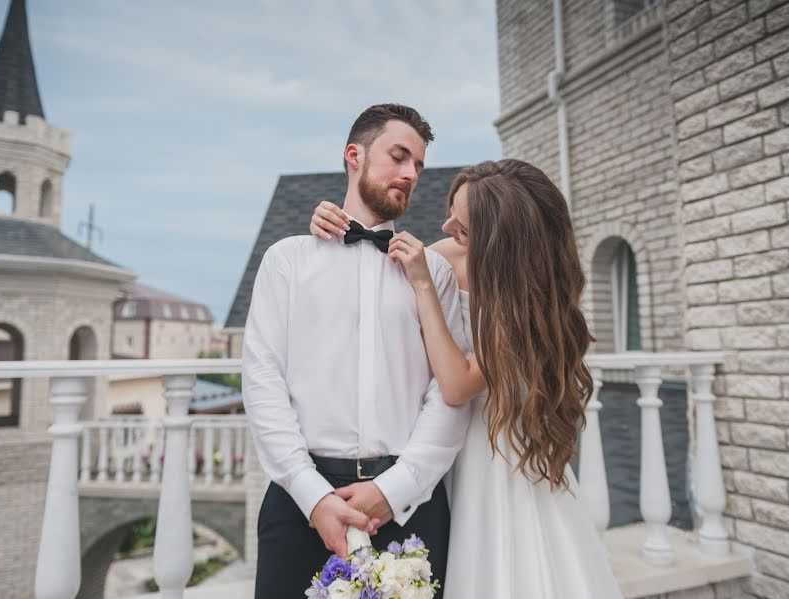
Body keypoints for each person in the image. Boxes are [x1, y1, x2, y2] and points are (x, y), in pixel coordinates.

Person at [310, 159, 624, 598]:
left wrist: (424, 288)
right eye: (450, 211)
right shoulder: (449, 255)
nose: (445, 226)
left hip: (497, 451)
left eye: (462, 227)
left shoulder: (527, 297)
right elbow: (373, 273)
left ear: (501, 243)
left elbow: (458, 385)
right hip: (444, 443)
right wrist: (330, 229)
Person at [242, 103, 472, 599]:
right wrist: (313, 495)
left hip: (409, 506)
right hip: (300, 502)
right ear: (354, 156)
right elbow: (262, 383)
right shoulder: (286, 261)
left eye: (419, 165)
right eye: (399, 156)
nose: (411, 173)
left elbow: (449, 393)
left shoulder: (434, 275)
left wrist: (395, 489)